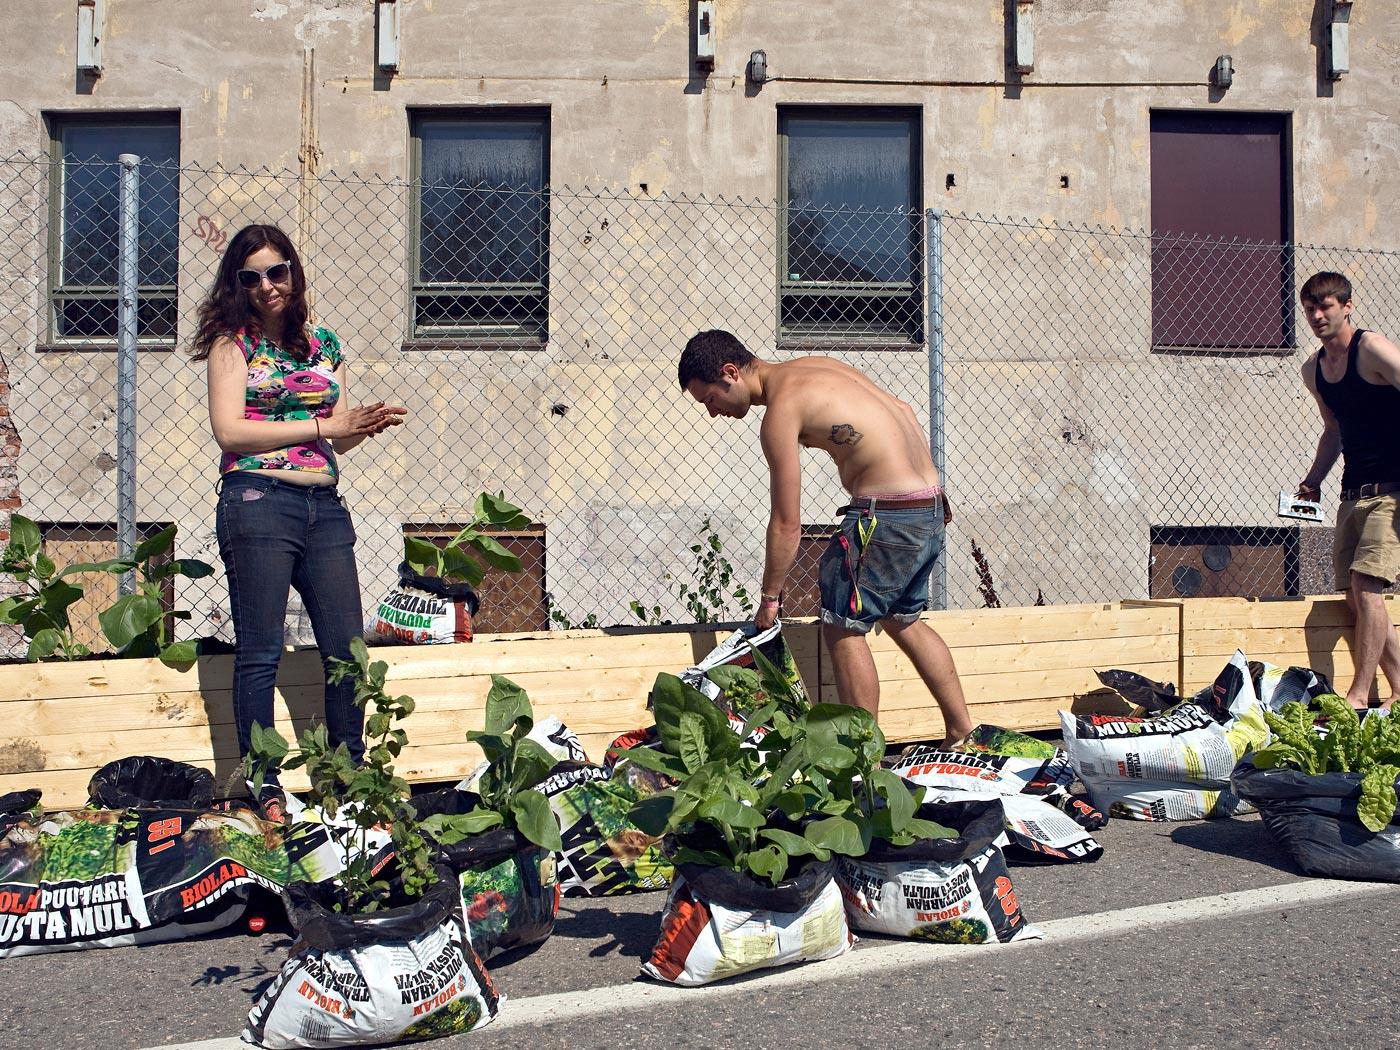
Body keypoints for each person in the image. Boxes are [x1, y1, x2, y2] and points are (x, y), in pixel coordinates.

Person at [191, 224, 407, 799]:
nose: (267, 286)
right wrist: (324, 425)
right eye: (251, 277)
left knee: (346, 649)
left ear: (294, 271)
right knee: (260, 651)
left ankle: (348, 782)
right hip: (258, 502)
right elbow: (229, 430)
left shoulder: (323, 346)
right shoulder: (233, 345)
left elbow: (334, 435)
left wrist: (360, 425)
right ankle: (262, 787)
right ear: (238, 285)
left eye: (277, 271)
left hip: (323, 506)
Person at [678, 329, 973, 746]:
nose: (713, 413)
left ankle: (862, 758)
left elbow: (786, 522)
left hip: (883, 514)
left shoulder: (780, 411)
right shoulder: (817, 367)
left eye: (710, 399)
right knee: (902, 618)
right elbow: (901, 409)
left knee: (842, 626)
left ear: (730, 373)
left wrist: (770, 599)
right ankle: (962, 730)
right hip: (928, 504)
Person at [1297, 271, 1400, 713]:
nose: (1318, 315)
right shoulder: (1314, 370)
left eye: (1327, 306)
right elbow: (1333, 430)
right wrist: (1313, 480)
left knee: (1367, 585)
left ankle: (1359, 694)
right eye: (1310, 309)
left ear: (1347, 306)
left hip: (1393, 491)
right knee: (1355, 596)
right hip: (1353, 491)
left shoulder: (1372, 348)